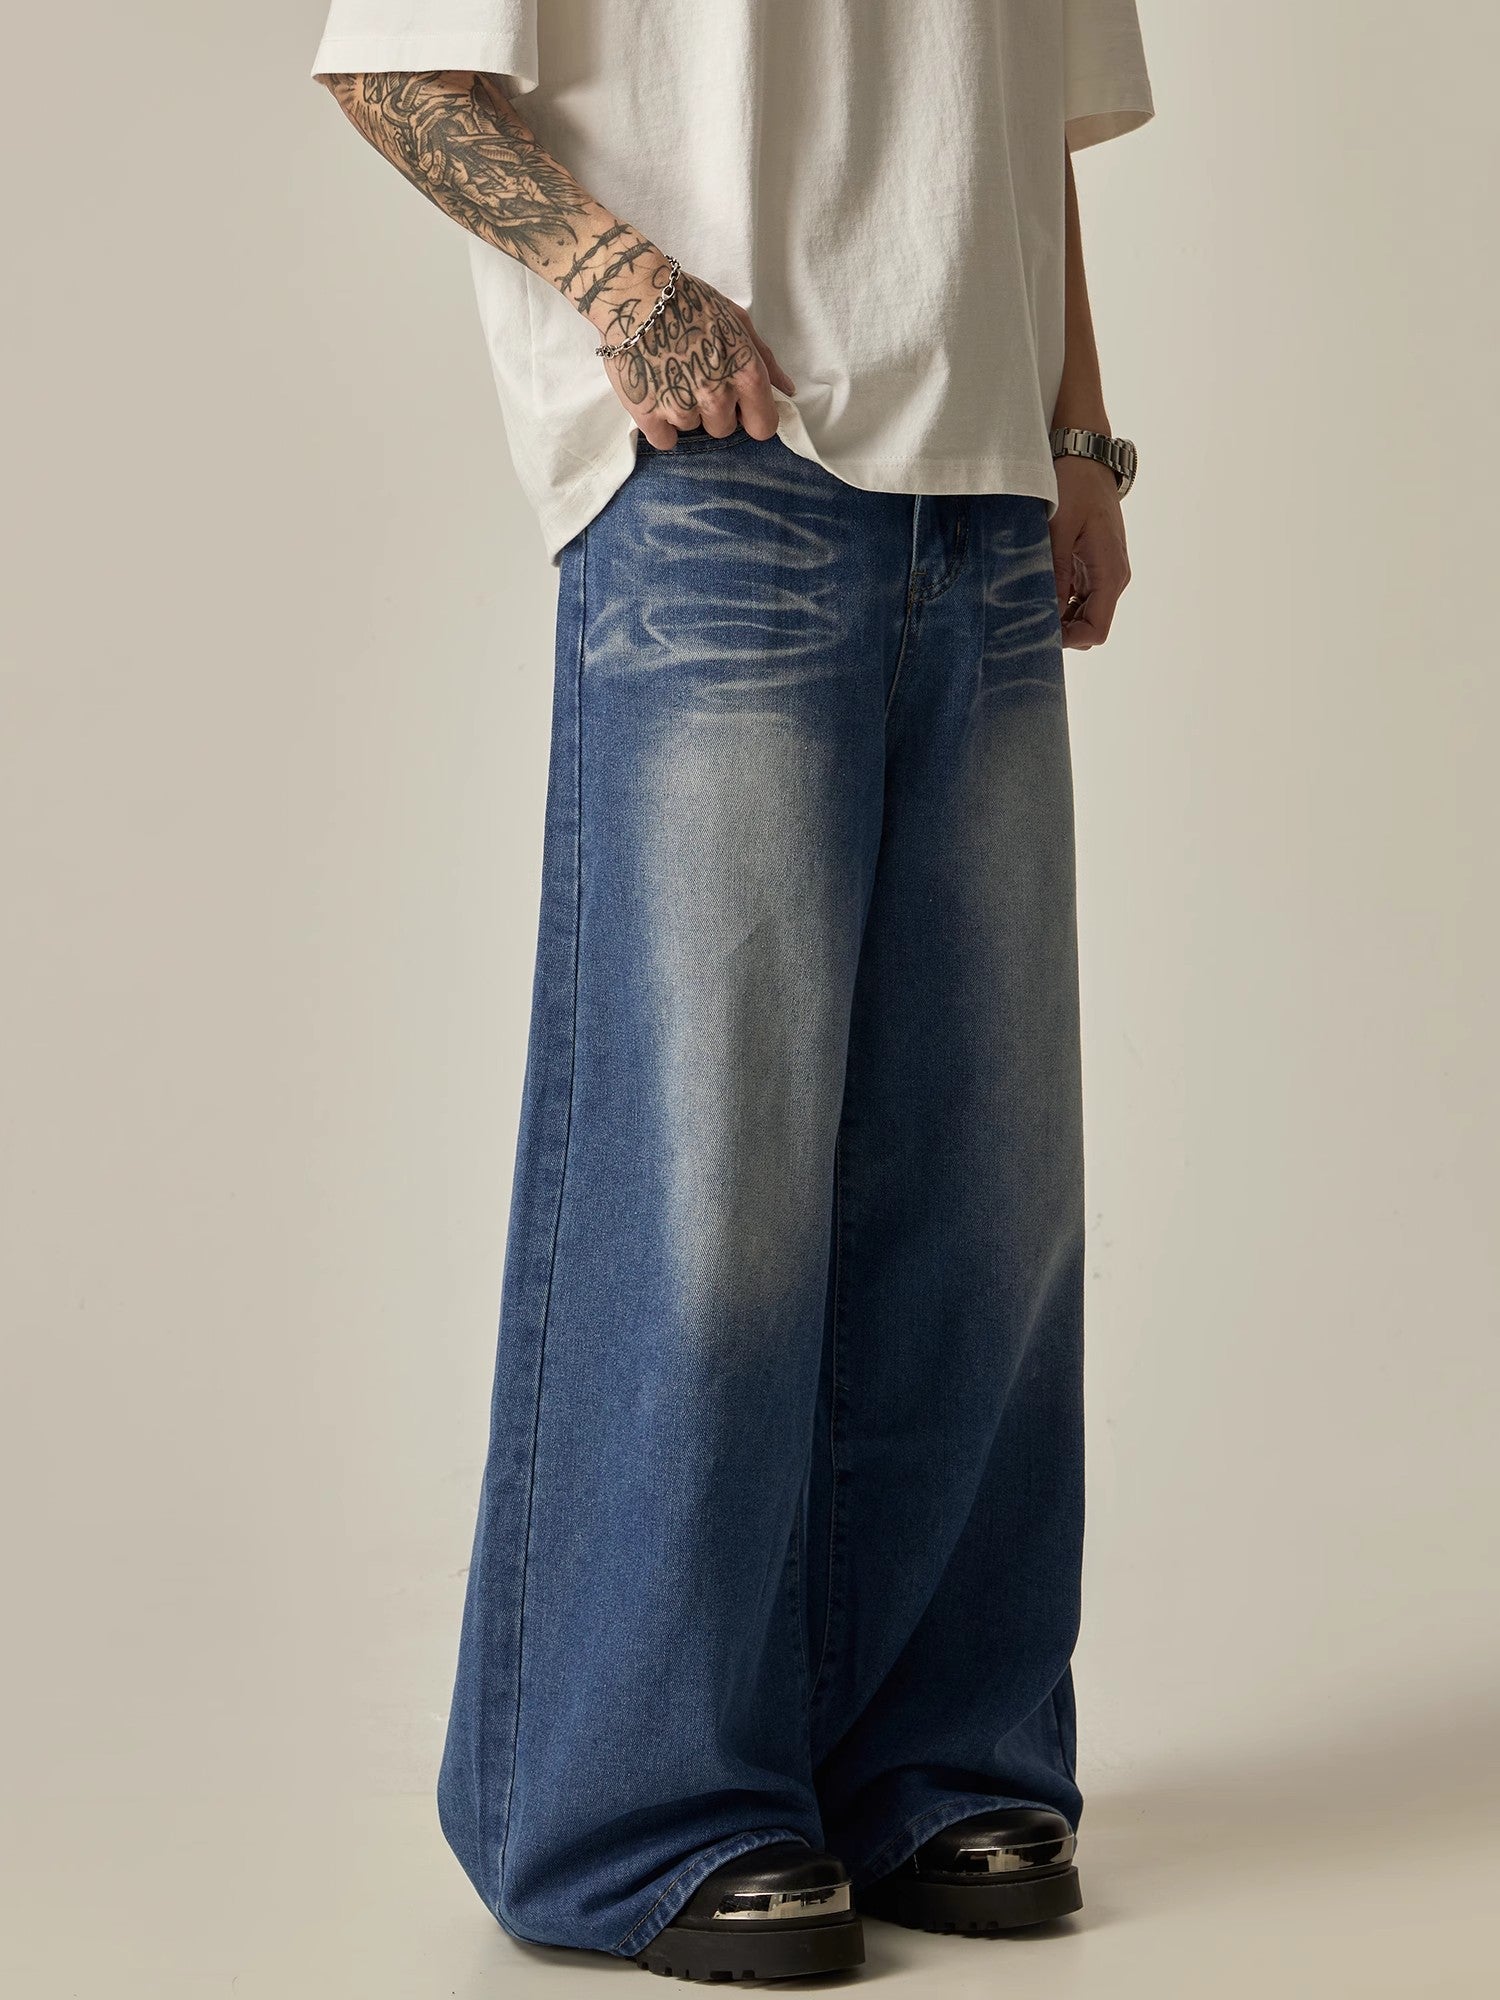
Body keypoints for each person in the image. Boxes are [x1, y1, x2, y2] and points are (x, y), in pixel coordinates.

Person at [311, 0, 1153, 1981]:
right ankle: (634, 1809)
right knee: (711, 1181)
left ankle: (936, 1762)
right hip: (716, 455)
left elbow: (1023, 120)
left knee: (991, 1183)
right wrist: (627, 283)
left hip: (983, 484)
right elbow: (393, 60)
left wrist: (1076, 430)